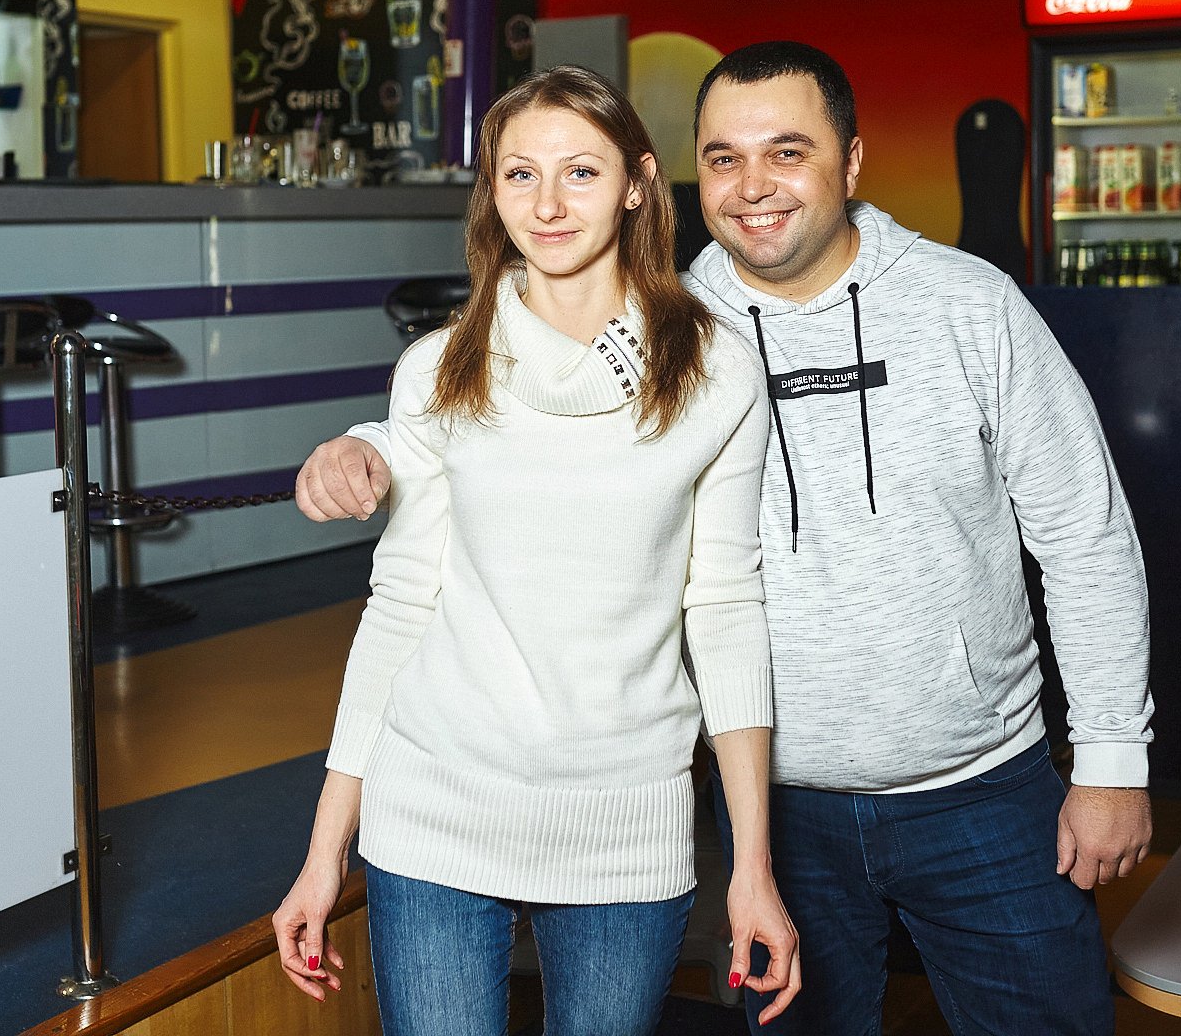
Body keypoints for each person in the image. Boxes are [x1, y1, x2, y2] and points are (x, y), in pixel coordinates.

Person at [295, 42, 1154, 1036]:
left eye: (787, 152)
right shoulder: (675, 325)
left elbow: (1085, 534)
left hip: (978, 787)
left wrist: (1112, 757)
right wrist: (373, 444)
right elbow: (505, 405)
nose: (753, 187)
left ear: (851, 161)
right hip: (777, 803)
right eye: (724, 158)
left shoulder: (969, 307)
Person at [270, 65, 801, 1036]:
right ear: (493, 191)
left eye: (580, 172)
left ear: (638, 181)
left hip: (626, 825)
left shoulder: (716, 371)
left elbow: (727, 610)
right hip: (433, 811)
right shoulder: (438, 370)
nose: (548, 205)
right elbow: (399, 610)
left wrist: (753, 866)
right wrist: (323, 851)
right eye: (520, 174)